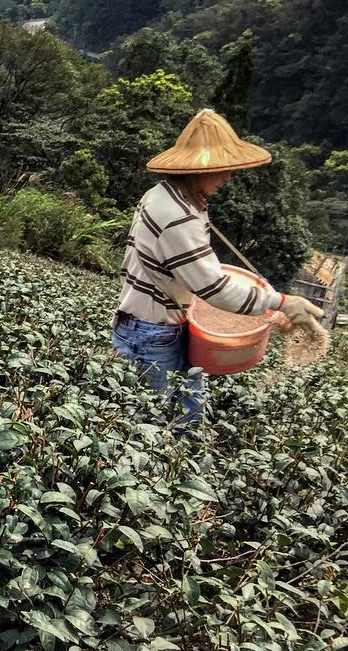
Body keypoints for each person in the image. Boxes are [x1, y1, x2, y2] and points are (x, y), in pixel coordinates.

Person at [112, 108, 323, 425]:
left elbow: (195, 267)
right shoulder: (176, 214)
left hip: (159, 324)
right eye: (220, 168)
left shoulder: (169, 196)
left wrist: (271, 306)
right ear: (196, 168)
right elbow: (213, 287)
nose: (228, 176)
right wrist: (280, 303)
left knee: (190, 412)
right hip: (152, 332)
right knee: (152, 427)